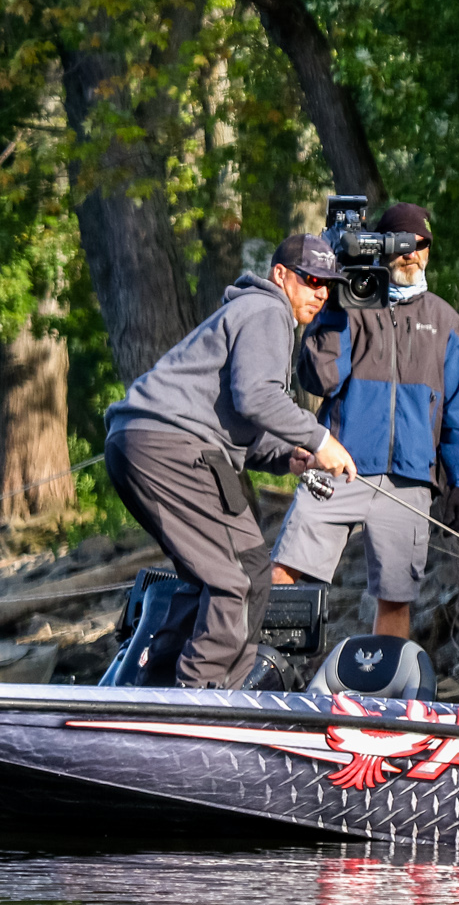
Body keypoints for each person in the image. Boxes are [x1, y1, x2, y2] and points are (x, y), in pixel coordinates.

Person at [103, 235, 358, 688]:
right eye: (311, 280)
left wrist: (289, 455)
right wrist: (321, 441)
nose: (320, 293)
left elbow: (233, 417)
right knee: (240, 577)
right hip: (174, 449)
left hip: (141, 444)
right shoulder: (268, 312)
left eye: (328, 286)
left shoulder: (246, 313)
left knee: (220, 576)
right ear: (281, 275)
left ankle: (152, 692)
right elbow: (257, 396)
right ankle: (200, 699)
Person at [270, 202, 459, 637]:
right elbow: (319, 380)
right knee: (285, 568)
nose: (411, 253)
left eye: (419, 245)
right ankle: (267, 670)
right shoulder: (350, 303)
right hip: (340, 465)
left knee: (395, 598)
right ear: (382, 249)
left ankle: (381, 696)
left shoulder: (445, 320)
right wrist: (335, 310)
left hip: (409, 478)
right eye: (401, 244)